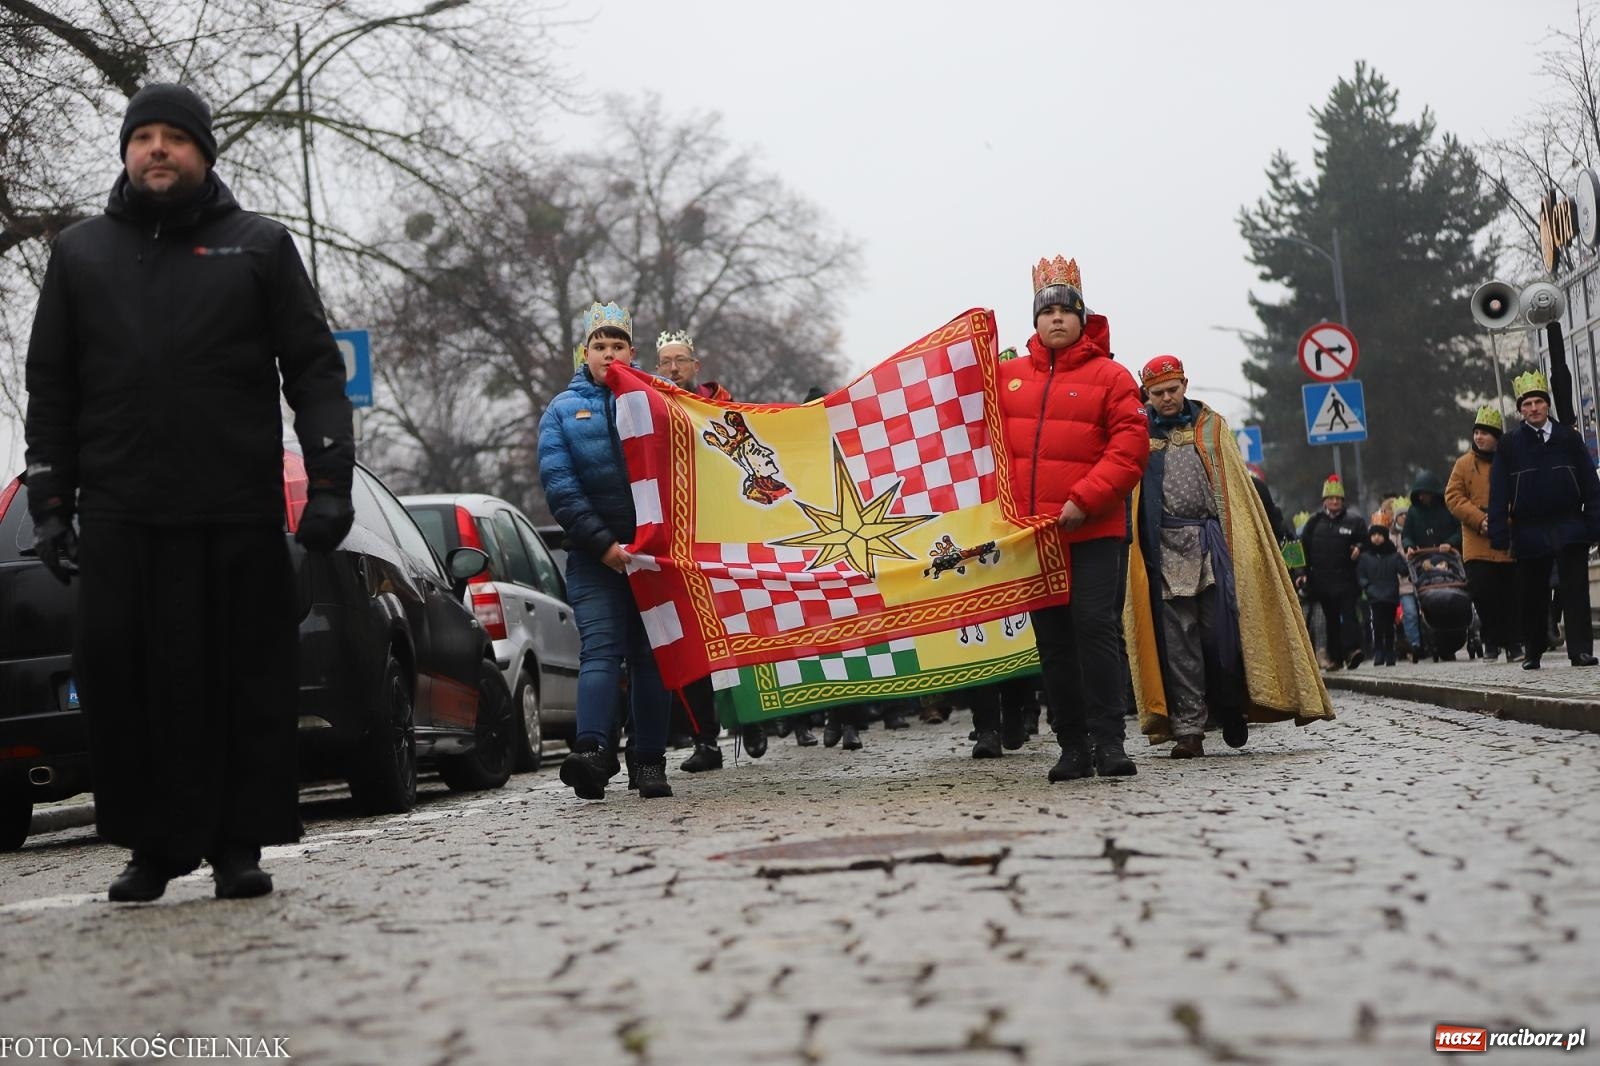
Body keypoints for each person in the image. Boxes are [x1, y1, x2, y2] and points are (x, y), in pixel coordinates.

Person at [22, 84, 355, 902]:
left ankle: (239, 844)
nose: (158, 149)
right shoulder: (80, 253)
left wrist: (330, 482)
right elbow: (51, 387)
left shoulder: (260, 246)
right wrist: (52, 504)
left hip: (232, 508)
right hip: (121, 514)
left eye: (175, 137)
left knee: (241, 681)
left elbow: (313, 368)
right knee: (125, 685)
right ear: (126, 153)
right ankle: (151, 846)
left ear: (205, 153)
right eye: (144, 137)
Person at [1124, 357, 1333, 756]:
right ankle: (1188, 730)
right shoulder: (1138, 434)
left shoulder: (1212, 427)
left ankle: (1229, 705)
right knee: (1177, 643)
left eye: (1173, 390)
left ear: (1185, 384)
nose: (1167, 399)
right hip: (1164, 552)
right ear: (1146, 395)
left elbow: (1238, 492)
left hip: (1213, 548)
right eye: (1157, 393)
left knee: (1220, 636)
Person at [994, 256, 1148, 780]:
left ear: (1083, 317)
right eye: (1046, 310)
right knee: (1053, 640)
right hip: (1034, 537)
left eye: (1066, 309)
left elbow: (1129, 448)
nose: (1056, 318)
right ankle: (1072, 745)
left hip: (1095, 528)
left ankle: (1110, 742)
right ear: (1034, 321)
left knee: (1094, 628)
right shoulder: (1006, 379)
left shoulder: (1112, 376)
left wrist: (1084, 498)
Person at [539, 302, 677, 798]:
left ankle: (648, 762)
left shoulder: (660, 402)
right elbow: (561, 487)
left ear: (632, 353)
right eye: (600, 346)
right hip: (593, 558)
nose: (609, 353)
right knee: (600, 649)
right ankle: (593, 753)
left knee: (650, 656)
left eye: (618, 345)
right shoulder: (560, 411)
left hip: (653, 556)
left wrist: (652, 544)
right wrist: (604, 546)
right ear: (585, 353)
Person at [1488, 370, 1600, 670]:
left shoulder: (1569, 438)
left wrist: (1594, 522)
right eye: (1527, 404)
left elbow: (1590, 484)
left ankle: (1580, 650)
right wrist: (1498, 533)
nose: (1534, 408)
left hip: (1568, 523)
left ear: (1547, 405)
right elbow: (1498, 492)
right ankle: (1533, 650)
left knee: (1575, 590)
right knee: (1531, 593)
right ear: (1520, 409)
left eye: (1538, 402)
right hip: (1529, 528)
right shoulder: (1509, 444)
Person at [1445, 406, 1521, 662]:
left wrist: (1503, 518)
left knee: (1509, 593)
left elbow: (1520, 493)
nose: (1479, 437)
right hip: (1476, 541)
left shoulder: (1510, 461)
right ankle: (1490, 640)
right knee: (1483, 593)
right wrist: (1479, 519)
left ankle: (1513, 643)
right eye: (1476, 432)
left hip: (1505, 538)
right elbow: (1453, 496)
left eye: (1485, 433)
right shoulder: (1463, 464)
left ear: (1496, 437)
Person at [1298, 475, 1365, 670]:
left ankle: (1353, 651)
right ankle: (1336, 657)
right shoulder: (1313, 523)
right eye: (1331, 498)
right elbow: (1302, 549)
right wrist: (1301, 572)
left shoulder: (1354, 521)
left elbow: (1367, 541)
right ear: (1324, 500)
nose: (1334, 501)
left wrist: (1359, 547)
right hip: (1322, 582)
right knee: (1331, 621)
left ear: (1343, 500)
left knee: (1349, 615)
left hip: (1346, 579)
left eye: (1338, 498)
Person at [1357, 525, 1408, 666]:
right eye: (1373, 535)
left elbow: (1403, 570)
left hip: (1390, 594)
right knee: (1377, 623)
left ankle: (1390, 650)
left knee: (1389, 624)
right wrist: (1368, 587)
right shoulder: (1365, 556)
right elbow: (1361, 575)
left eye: (1380, 535)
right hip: (1374, 595)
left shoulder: (1393, 555)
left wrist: (1404, 559)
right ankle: (1379, 650)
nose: (1377, 538)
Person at [1400, 471, 1461, 555]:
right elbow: (1406, 534)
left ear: (1433, 493)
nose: (1421, 497)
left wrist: (1450, 543)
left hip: (1449, 555)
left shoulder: (1449, 507)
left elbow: (1461, 530)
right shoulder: (1413, 510)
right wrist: (1409, 546)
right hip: (1423, 557)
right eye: (1419, 494)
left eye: (1424, 494)